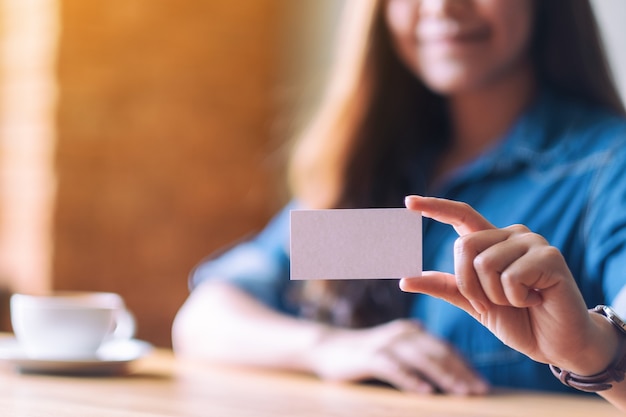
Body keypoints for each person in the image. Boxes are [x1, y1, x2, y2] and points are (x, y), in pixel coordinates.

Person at [172, 0, 626, 410]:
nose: (442, 7)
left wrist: (592, 351)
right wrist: (329, 348)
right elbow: (207, 317)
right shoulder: (383, 174)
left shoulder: (608, 167)